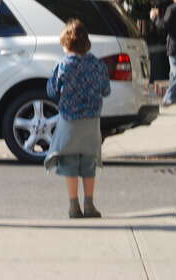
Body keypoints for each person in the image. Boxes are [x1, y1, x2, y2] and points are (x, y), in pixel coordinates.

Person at [44, 19, 110, 218]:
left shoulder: (63, 65)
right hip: (92, 121)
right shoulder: (97, 64)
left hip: (69, 120)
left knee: (69, 162)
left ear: (66, 43)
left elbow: (52, 91)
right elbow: (106, 90)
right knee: (89, 162)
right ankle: (89, 204)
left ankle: (74, 206)